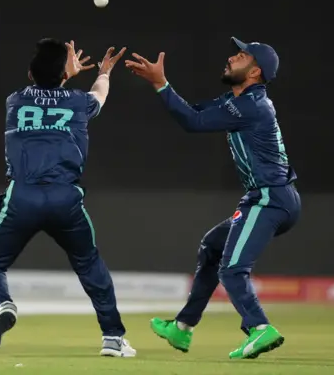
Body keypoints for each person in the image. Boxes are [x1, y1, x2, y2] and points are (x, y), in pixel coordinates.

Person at [125, 37, 301, 360]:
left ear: (255, 71)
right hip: (268, 197)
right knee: (212, 248)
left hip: (270, 198)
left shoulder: (249, 105)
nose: (233, 57)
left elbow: (192, 122)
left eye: (242, 55)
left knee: (233, 270)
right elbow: (194, 113)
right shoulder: (241, 99)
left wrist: (161, 84)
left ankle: (260, 328)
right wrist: (162, 86)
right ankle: (183, 326)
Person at [0, 38, 136, 358]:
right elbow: (99, 94)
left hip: (22, 196)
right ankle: (113, 339)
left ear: (31, 73)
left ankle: (2, 305)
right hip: (65, 199)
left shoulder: (16, 100)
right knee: (90, 265)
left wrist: (61, 73)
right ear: (64, 72)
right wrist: (102, 71)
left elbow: (43, 90)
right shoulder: (78, 102)